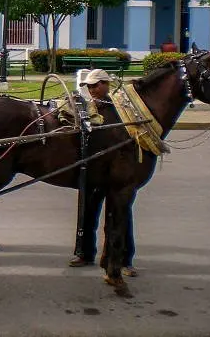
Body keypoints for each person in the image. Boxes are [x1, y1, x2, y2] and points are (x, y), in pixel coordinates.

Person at [70, 69, 138, 277]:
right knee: (87, 212)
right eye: (89, 87)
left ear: (105, 85)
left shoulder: (119, 108)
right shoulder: (85, 106)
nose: (91, 90)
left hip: (115, 170)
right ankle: (84, 253)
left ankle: (125, 259)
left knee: (120, 214)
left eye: (94, 86)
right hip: (93, 168)